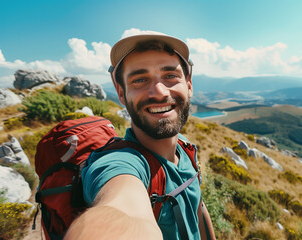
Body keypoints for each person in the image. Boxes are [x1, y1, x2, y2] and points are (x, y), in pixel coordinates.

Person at [64, 33, 215, 240]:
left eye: (170, 75)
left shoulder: (186, 148)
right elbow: (121, 210)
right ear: (121, 93)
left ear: (188, 85)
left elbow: (197, 207)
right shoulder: (119, 164)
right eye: (140, 80)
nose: (160, 92)